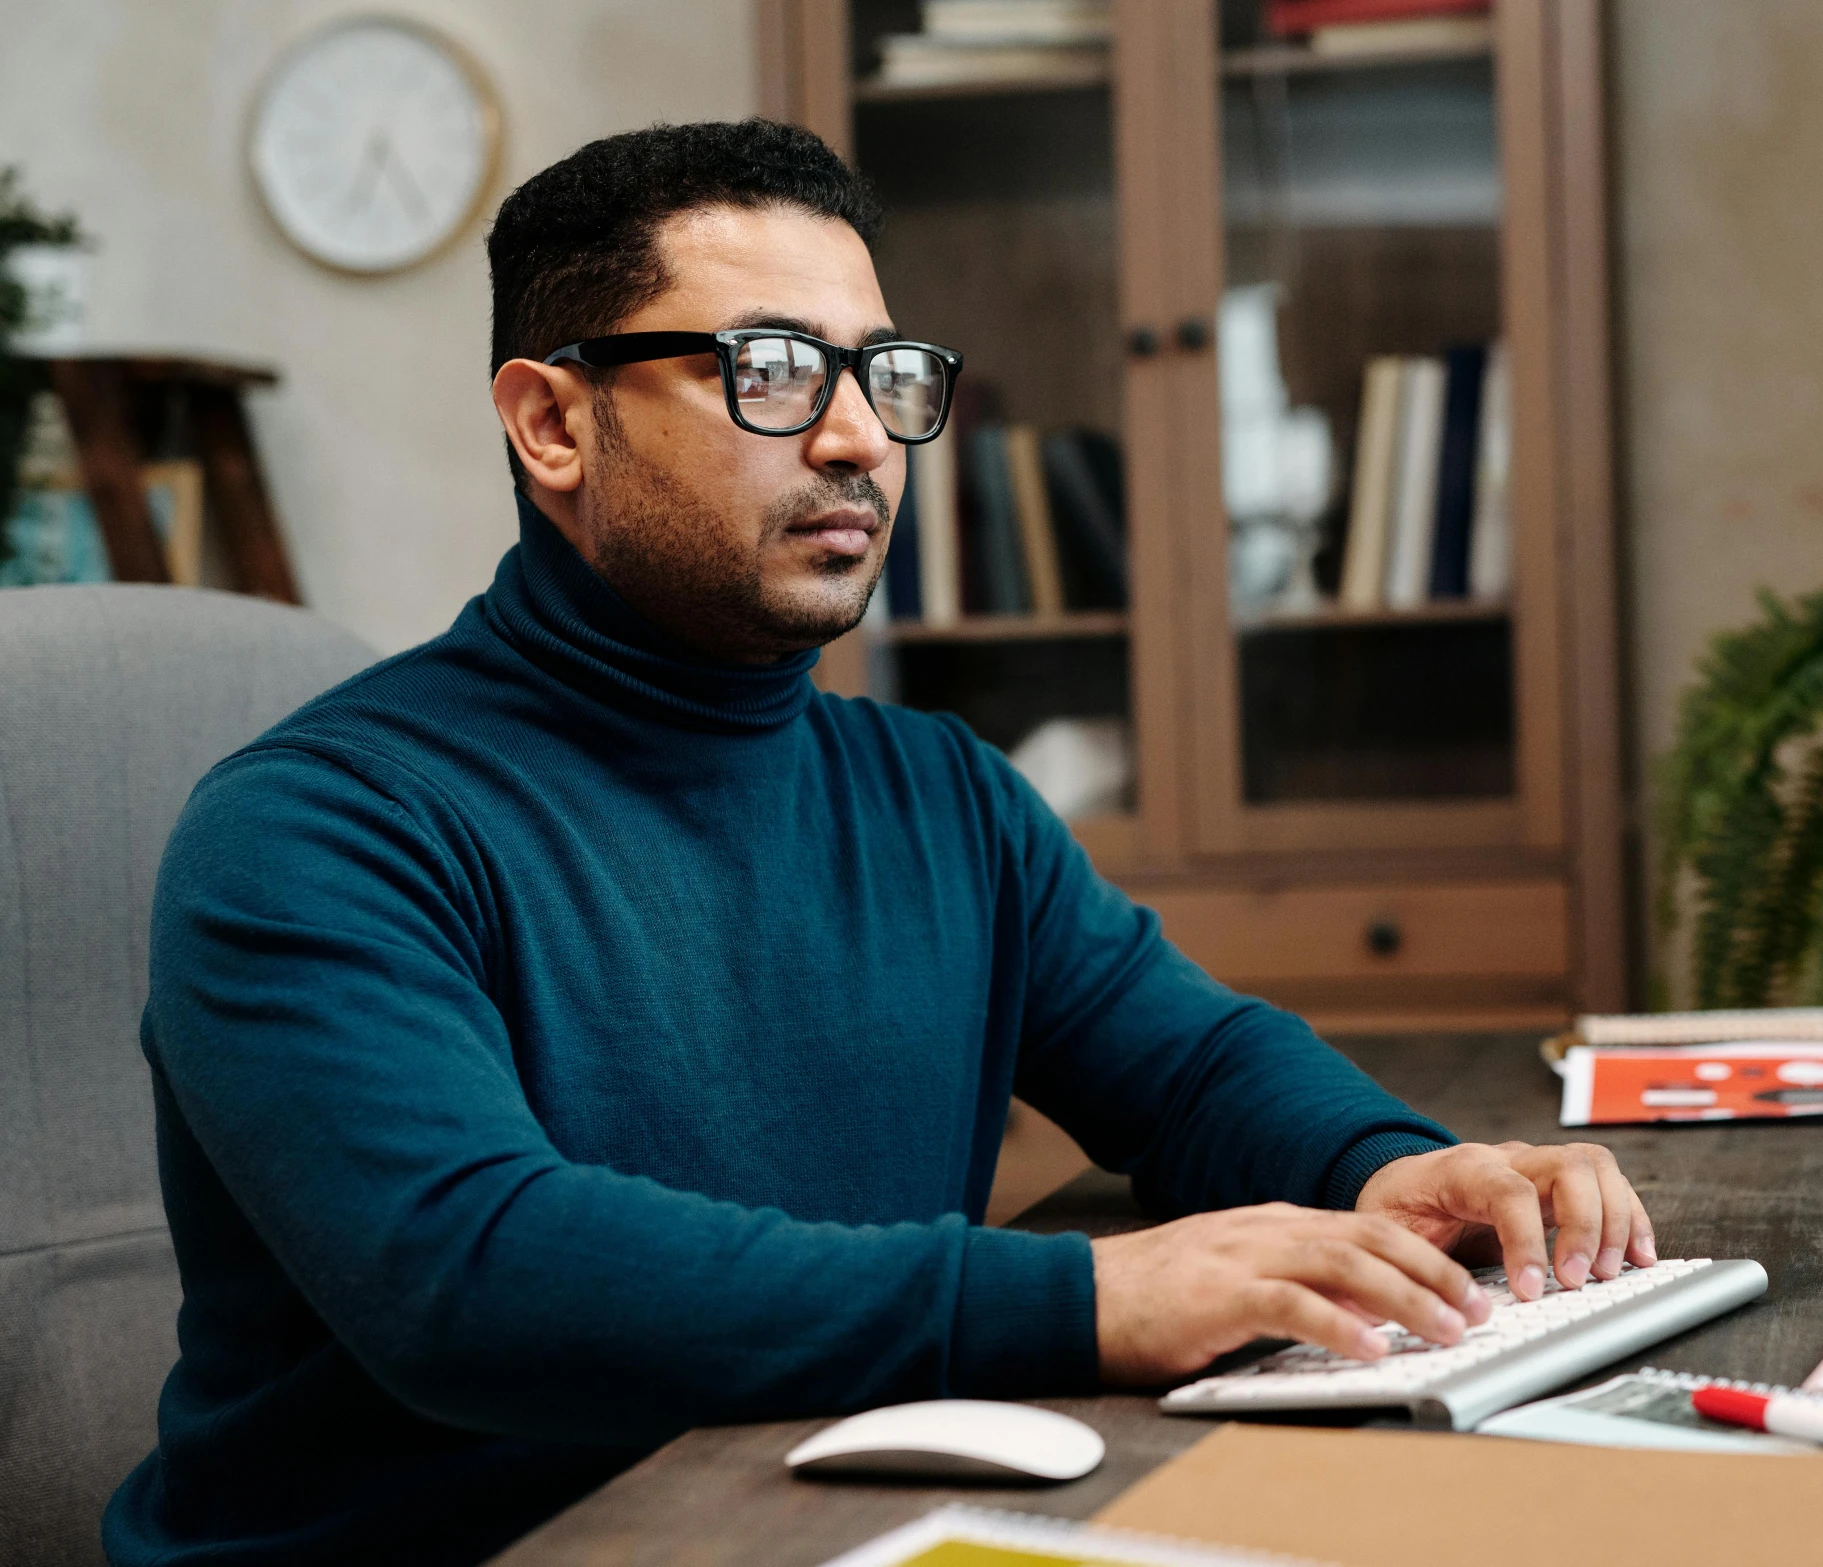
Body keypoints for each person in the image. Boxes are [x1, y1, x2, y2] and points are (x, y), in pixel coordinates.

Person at [105, 120, 1656, 1566]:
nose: (857, 438)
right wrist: (1088, 1292)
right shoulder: (318, 826)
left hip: (834, 1514)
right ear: (552, 421)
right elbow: (471, 1276)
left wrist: (1391, 1168)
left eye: (886, 374)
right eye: (772, 371)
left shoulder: (938, 788)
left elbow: (1185, 1065)